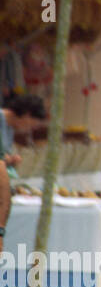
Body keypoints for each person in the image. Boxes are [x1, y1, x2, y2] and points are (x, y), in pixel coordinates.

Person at [1, 93, 47, 252]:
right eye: (31, 125)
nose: (29, 130)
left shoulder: (9, 128)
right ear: (27, 115)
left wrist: (9, 161)